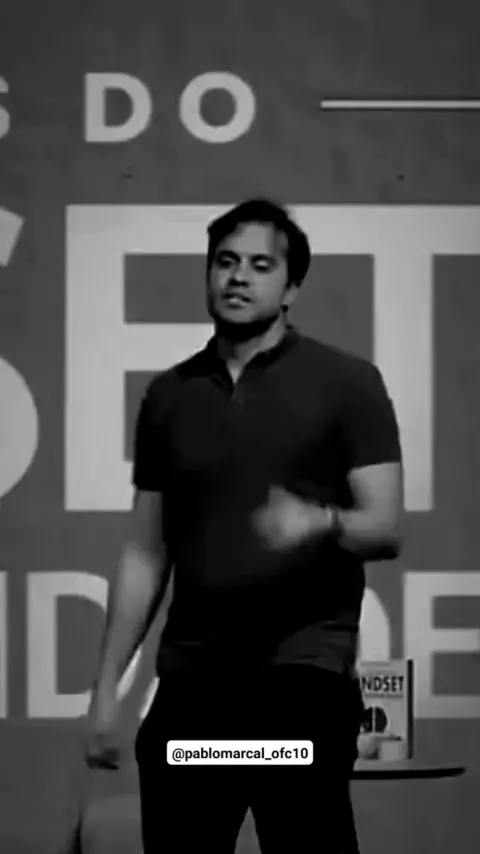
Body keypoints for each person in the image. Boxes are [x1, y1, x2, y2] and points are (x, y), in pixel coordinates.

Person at [85, 198, 404, 852]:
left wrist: (318, 521)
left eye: (261, 265)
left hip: (299, 682)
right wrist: (106, 689)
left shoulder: (347, 382)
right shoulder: (169, 396)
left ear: (291, 289)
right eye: (226, 262)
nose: (238, 277)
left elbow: (385, 526)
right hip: (193, 691)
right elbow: (146, 550)